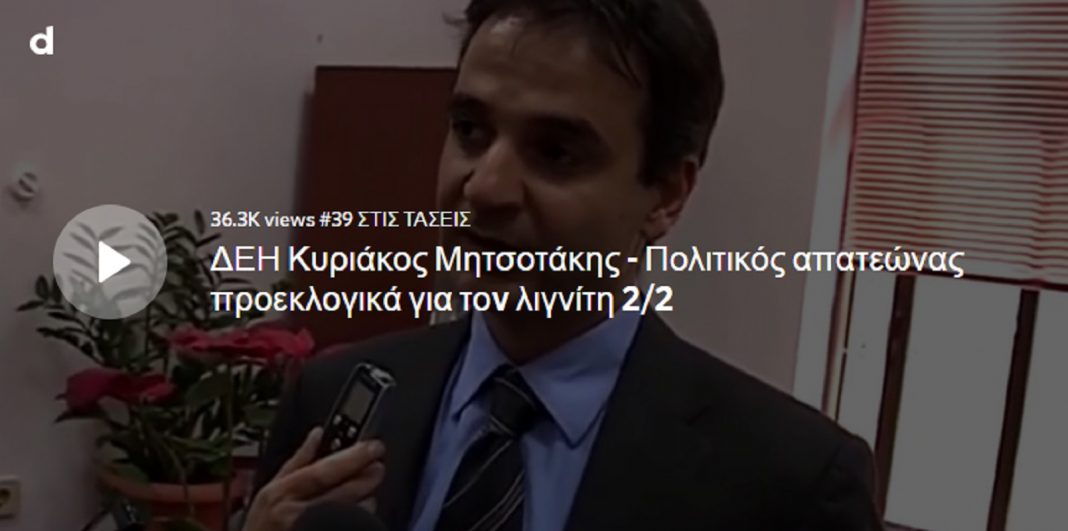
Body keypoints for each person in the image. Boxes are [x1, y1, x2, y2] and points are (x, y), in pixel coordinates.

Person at [245, 0, 883, 530]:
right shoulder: (331, 397)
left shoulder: (793, 484)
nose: (485, 187)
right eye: (470, 130)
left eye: (555, 152)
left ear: (666, 195)